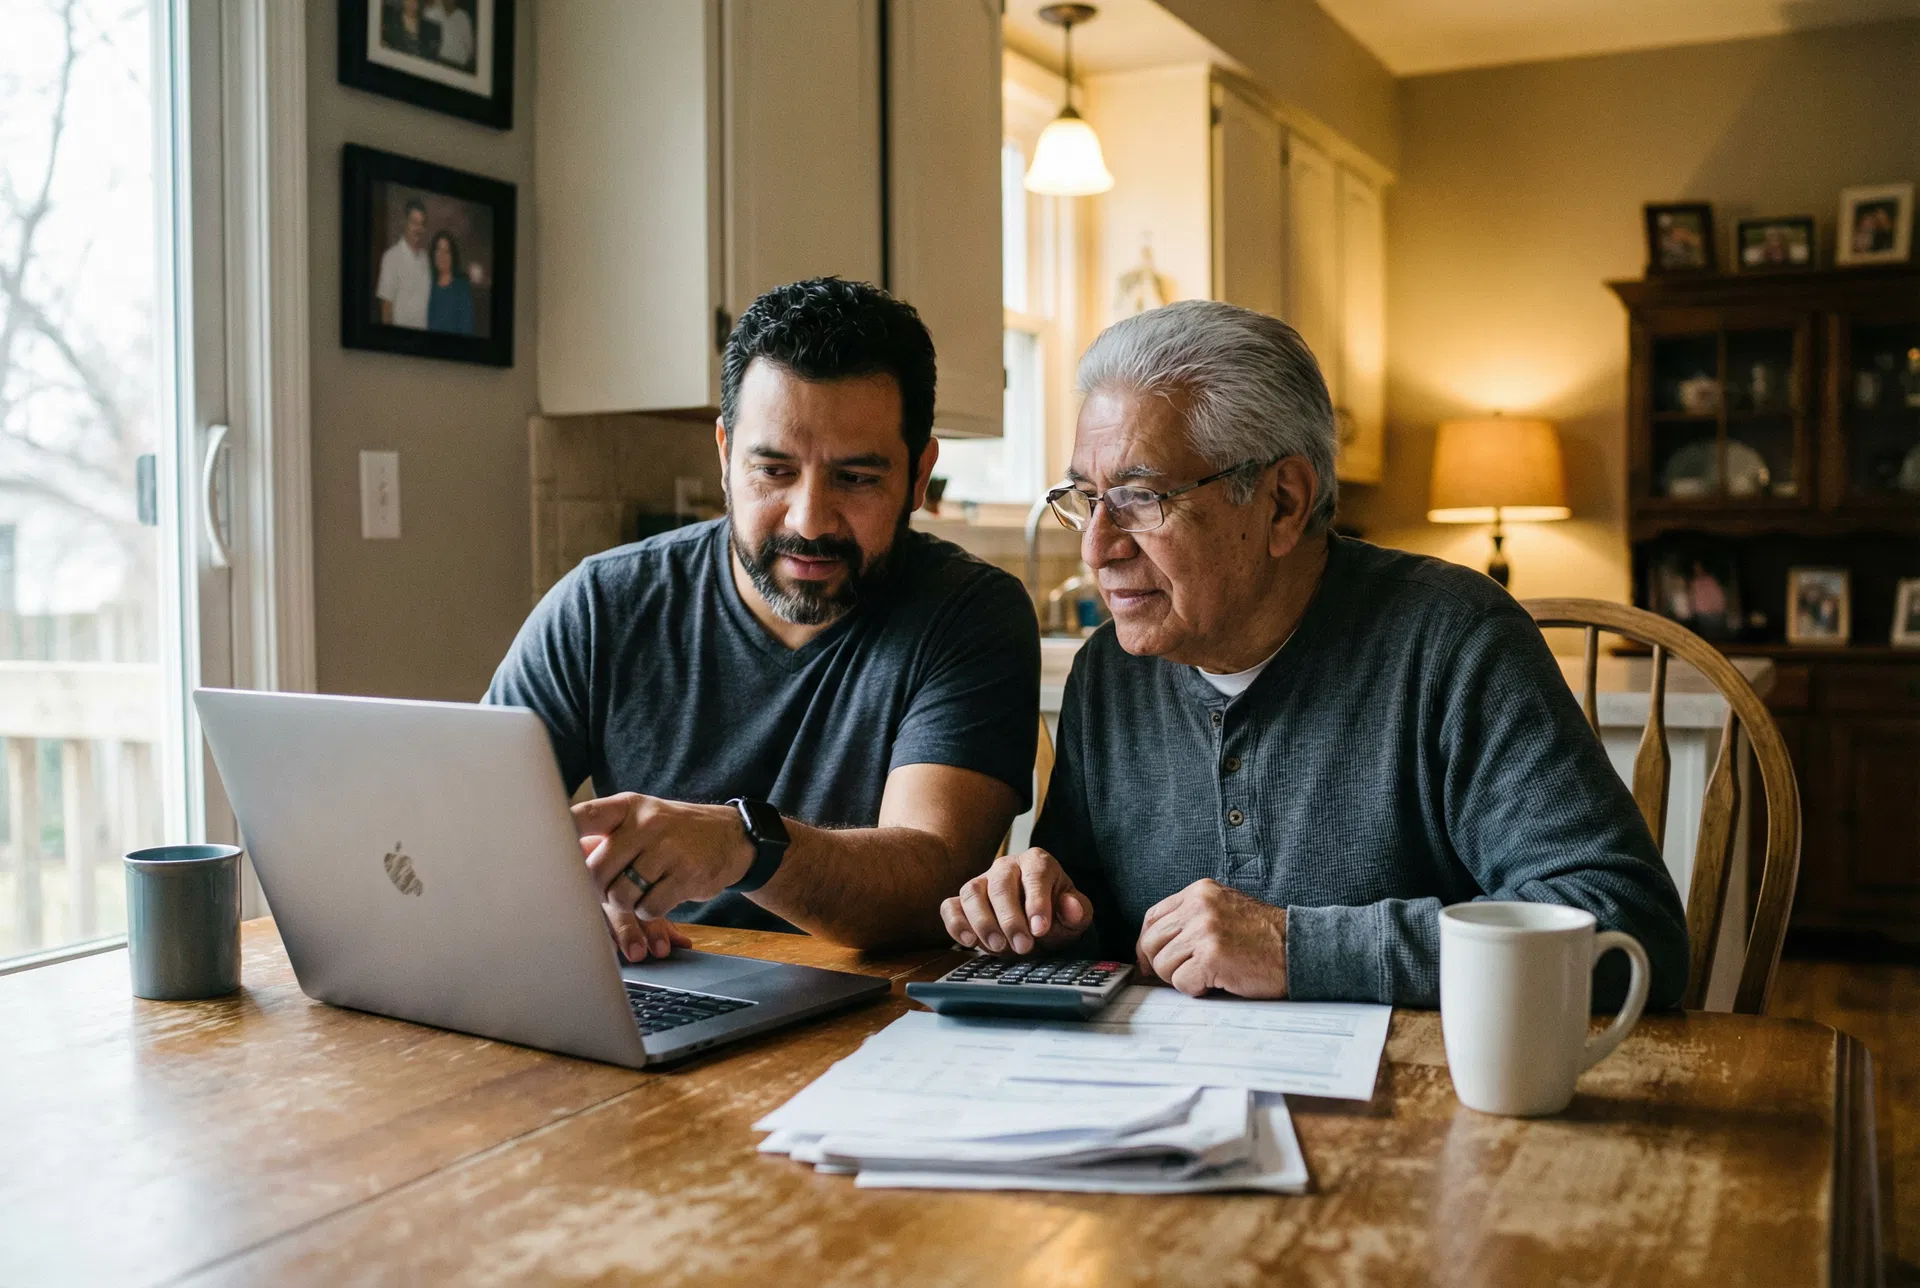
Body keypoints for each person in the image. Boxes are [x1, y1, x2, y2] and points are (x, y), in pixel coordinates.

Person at [941, 300, 1689, 1010]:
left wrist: (1296, 947)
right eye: (1083, 496)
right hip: (1177, 1110)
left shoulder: (1454, 641)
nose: (1097, 547)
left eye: (1140, 498)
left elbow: (1628, 930)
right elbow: (1106, 922)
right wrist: (1049, 917)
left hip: (1423, 1113)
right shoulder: (1111, 669)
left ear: (1283, 503)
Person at [487, 277, 1040, 962]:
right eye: (773, 471)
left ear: (920, 473)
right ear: (724, 455)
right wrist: (563, 901)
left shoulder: (968, 615)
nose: (809, 520)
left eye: (857, 478)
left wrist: (745, 846)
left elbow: (930, 882)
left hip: (870, 1019)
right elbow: (474, 821)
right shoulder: (602, 604)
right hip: (646, 988)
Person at [375, 199, 431, 329]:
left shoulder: (426, 258)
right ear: (405, 222)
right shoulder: (391, 257)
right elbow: (386, 307)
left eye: (422, 224)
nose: (418, 228)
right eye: (414, 222)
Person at [426, 230, 475, 335]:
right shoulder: (428, 284)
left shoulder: (461, 287)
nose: (441, 255)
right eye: (438, 250)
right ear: (433, 254)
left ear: (453, 256)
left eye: (446, 251)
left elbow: (466, 329)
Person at [428, 0, 474, 70]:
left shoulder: (463, 17)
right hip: (436, 65)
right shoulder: (431, 14)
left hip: (459, 67)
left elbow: (469, 48)